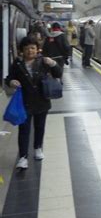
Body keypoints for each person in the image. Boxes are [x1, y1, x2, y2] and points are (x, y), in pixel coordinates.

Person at [6, 36, 62, 169]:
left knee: (39, 127)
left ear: (37, 49)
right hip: (24, 102)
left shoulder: (43, 61)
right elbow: (9, 78)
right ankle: (23, 157)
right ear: (22, 51)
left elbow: (58, 74)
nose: (30, 51)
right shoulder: (17, 64)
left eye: (33, 48)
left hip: (42, 101)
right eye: (26, 49)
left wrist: (53, 64)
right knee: (24, 130)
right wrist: (11, 82)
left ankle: (38, 148)